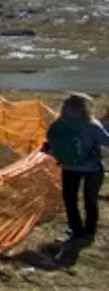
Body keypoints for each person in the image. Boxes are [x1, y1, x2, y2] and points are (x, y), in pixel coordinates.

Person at [42, 93, 109, 246]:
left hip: (69, 167)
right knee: (90, 200)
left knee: (70, 200)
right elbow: (107, 141)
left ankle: (76, 230)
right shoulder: (92, 125)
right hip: (93, 169)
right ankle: (89, 232)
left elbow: (51, 143)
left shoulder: (59, 125)